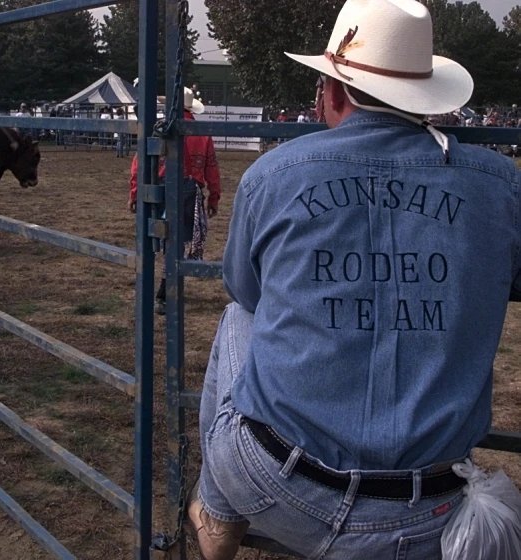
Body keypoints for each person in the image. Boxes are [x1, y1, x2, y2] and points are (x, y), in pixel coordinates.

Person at [189, 1, 521, 559]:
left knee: (241, 313)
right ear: (427, 95)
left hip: (278, 485)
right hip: (427, 513)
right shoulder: (499, 183)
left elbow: (244, 289)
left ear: (334, 92)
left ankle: (218, 512)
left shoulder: (274, 172)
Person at [129, 88, 221, 315]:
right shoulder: (202, 132)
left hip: (161, 186)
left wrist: (134, 192)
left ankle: (156, 289)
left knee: (152, 237)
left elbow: (139, 163)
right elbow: (211, 168)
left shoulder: (162, 129)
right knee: (177, 241)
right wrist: (214, 197)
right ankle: (166, 288)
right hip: (190, 189)